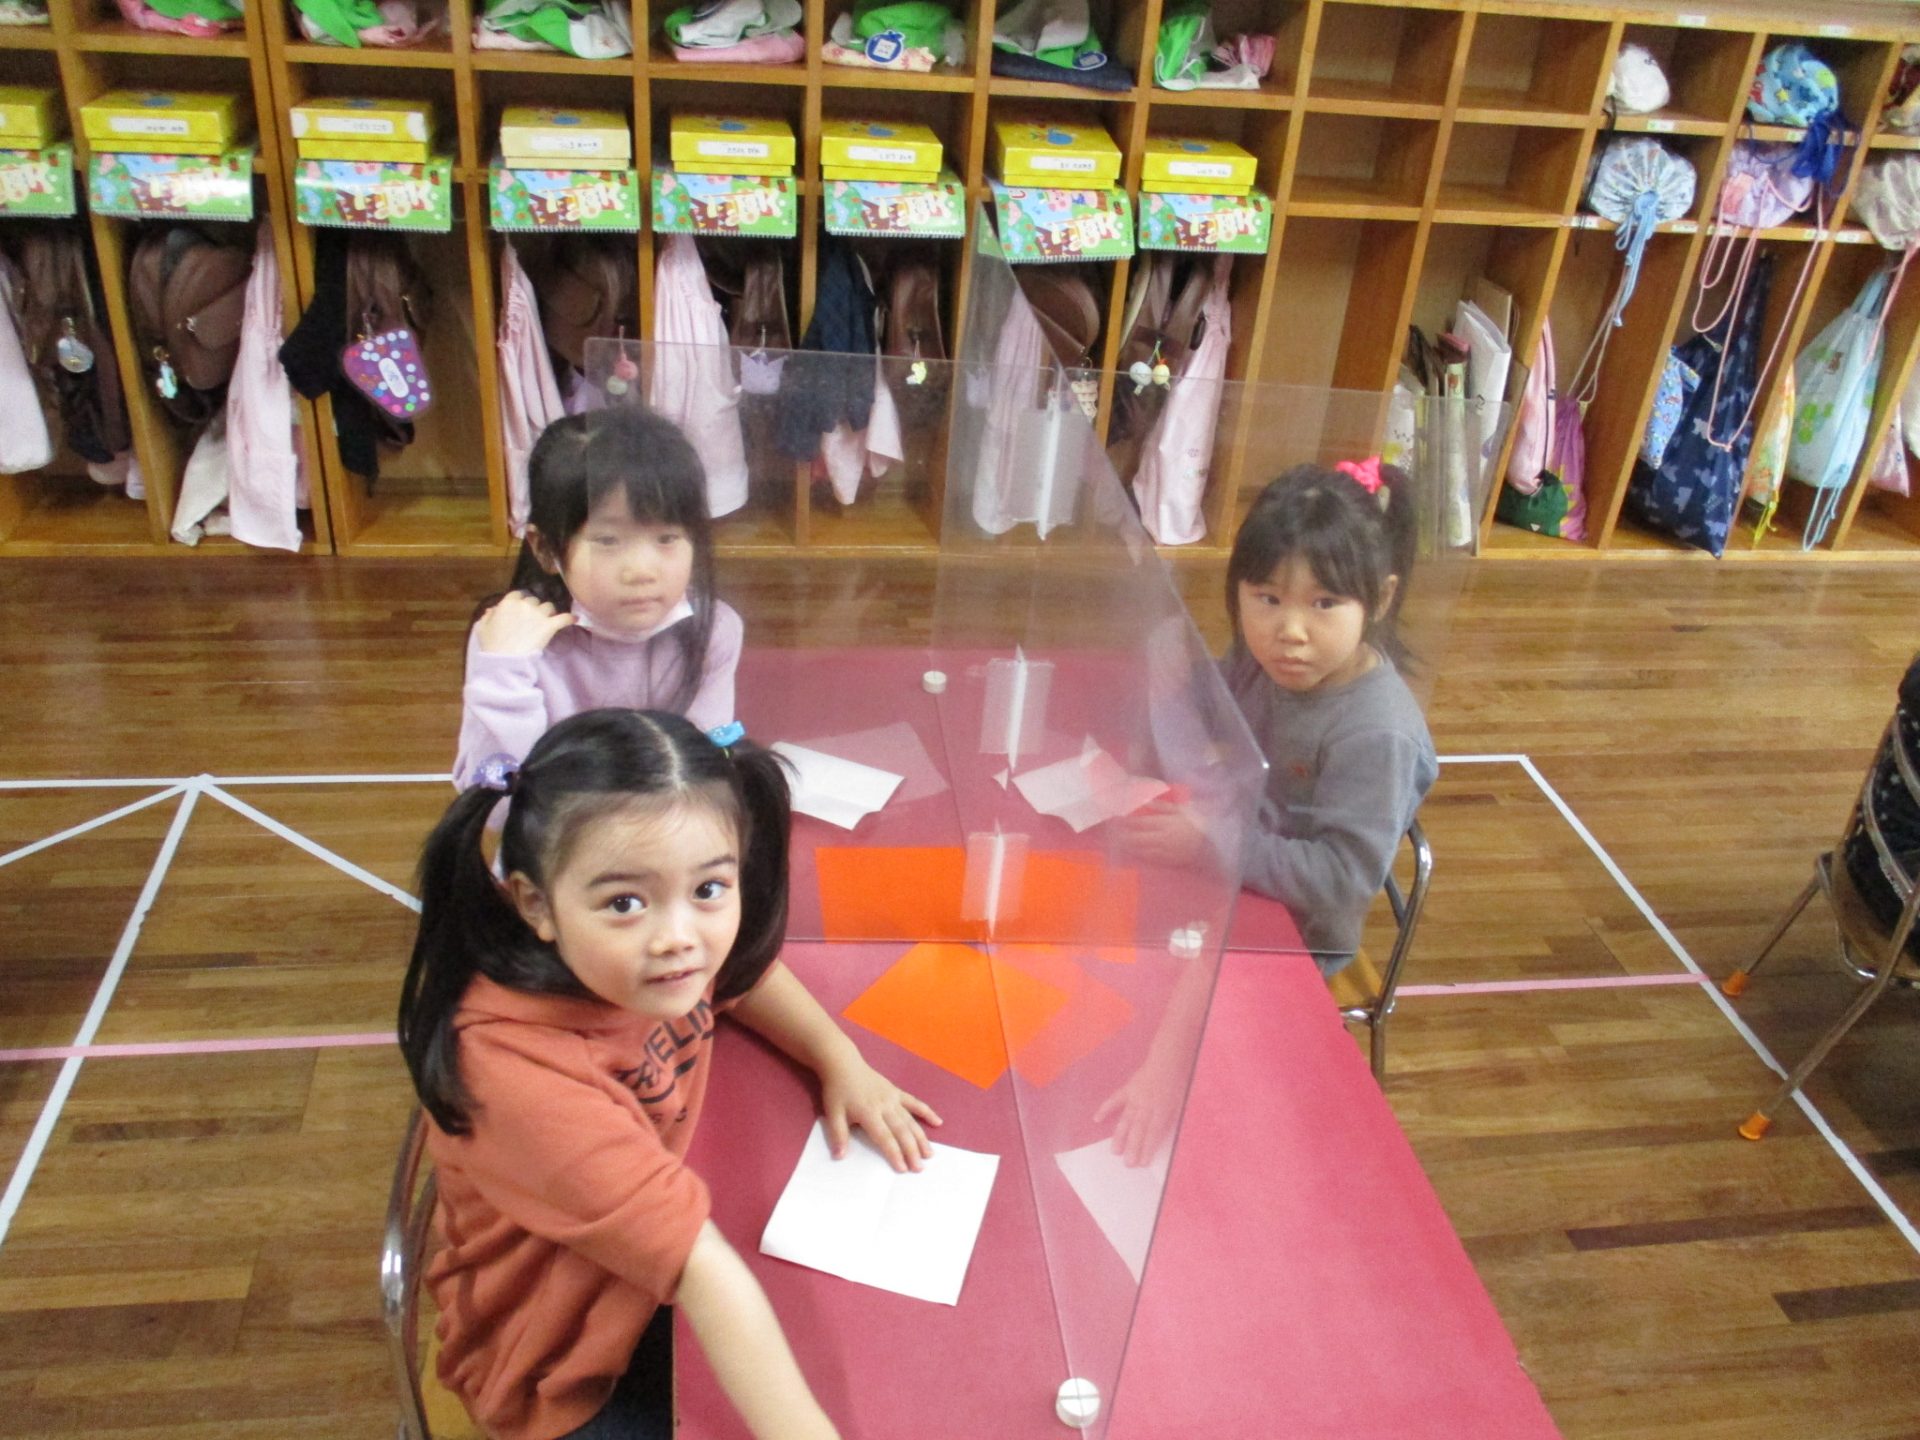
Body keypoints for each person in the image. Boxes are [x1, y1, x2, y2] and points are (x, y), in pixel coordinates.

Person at [402, 708, 940, 1440]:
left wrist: (838, 1058)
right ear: (536, 904)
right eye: (625, 903)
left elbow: (741, 975)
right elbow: (703, 1270)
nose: (680, 939)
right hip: (561, 1368)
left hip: (645, 1278)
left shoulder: (639, 962)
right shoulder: (515, 1074)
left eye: (709, 889)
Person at [1123, 457, 1439, 974]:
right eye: (1268, 598)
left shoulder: (1377, 733)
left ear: (1380, 599)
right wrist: (1176, 678)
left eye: (1324, 603)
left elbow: (1342, 877)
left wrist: (1211, 842)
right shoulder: (1268, 660)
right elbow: (1216, 697)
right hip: (1229, 872)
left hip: (1294, 937)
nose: (1290, 630)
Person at [455, 407, 743, 788]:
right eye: (607, 540)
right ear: (545, 549)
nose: (642, 570)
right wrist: (503, 673)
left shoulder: (712, 629)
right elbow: (488, 801)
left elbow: (706, 777)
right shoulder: (510, 640)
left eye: (667, 538)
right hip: (553, 825)